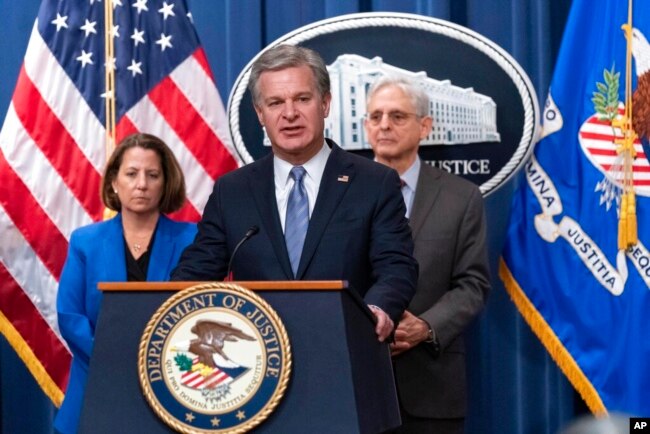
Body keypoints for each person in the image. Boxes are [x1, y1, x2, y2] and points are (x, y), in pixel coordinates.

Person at [171, 44, 417, 341]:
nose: (290, 114)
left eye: (302, 99)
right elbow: (195, 273)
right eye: (275, 103)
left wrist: (376, 309)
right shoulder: (232, 190)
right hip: (257, 362)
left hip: (346, 347)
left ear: (325, 104)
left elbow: (396, 266)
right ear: (260, 114)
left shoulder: (373, 183)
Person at [364, 76, 490, 433]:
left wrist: (426, 326)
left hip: (431, 387)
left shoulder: (461, 198)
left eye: (397, 116)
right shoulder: (337, 191)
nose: (384, 125)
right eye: (375, 116)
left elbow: (473, 284)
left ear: (425, 126)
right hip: (355, 383)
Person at [54, 133, 197, 434]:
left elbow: (201, 312)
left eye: (152, 175)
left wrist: (156, 364)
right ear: (114, 183)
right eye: (131, 174)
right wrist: (113, 358)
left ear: (165, 182)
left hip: (172, 390)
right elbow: (70, 317)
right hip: (97, 384)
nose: (142, 184)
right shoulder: (85, 242)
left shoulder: (192, 239)